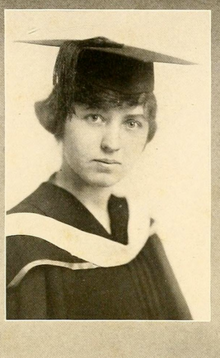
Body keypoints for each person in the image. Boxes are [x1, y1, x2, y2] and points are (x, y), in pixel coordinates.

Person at [6, 36, 192, 320]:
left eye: (132, 122)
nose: (112, 143)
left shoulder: (139, 230)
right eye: (94, 117)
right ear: (59, 121)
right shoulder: (19, 244)